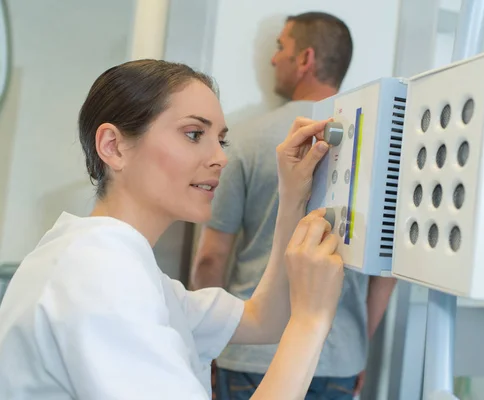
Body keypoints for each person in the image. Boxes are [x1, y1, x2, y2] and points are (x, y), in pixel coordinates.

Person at [0, 59, 346, 400]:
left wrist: (291, 197)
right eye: (194, 134)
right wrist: (312, 321)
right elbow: (281, 322)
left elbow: (263, 320)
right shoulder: (98, 274)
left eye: (220, 141)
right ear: (113, 146)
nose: (220, 158)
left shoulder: (116, 263)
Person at [190, 11, 397, 399]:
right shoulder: (380, 149)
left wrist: (210, 346)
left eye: (280, 47)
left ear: (306, 60)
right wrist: (356, 343)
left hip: (252, 357)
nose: (273, 59)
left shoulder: (246, 141)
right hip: (338, 359)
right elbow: (387, 272)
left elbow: (210, 260)